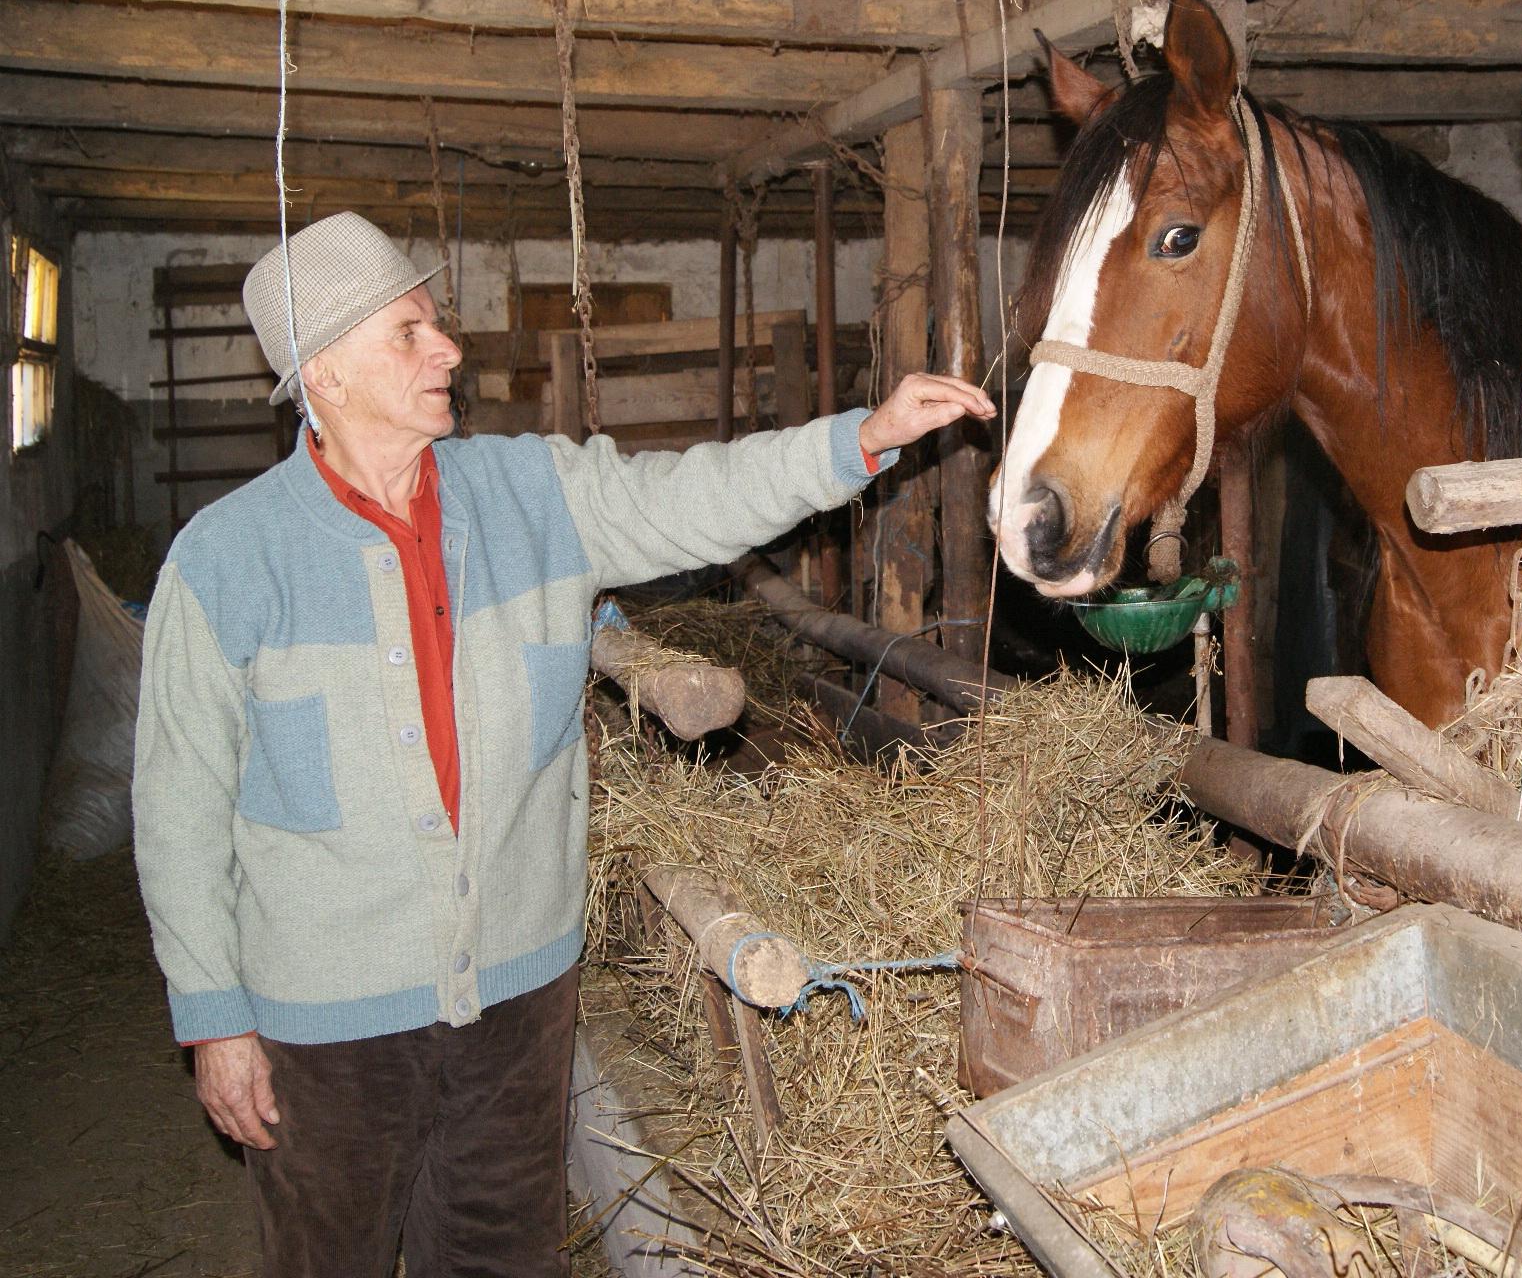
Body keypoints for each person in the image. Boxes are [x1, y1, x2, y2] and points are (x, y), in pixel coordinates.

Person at [130, 211, 992, 1277]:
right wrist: (214, 1017)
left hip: (518, 1002)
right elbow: (176, 806)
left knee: (501, 1257)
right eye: (409, 332)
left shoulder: (533, 492)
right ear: (326, 373)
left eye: (435, 323)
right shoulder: (225, 561)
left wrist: (860, 437)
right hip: (325, 1027)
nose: (447, 347)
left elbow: (695, 496)